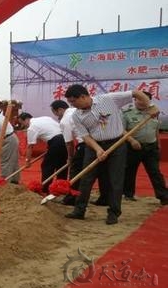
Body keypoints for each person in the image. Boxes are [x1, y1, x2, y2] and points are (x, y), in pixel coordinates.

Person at [64, 84, 155, 225]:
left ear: (83, 96)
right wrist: (98, 149)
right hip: (94, 146)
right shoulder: (77, 115)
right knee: (86, 178)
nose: (73, 105)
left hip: (116, 144)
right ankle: (79, 210)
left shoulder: (108, 99)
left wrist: (149, 107)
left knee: (115, 179)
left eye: (73, 101)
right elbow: (85, 136)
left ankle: (113, 213)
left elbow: (136, 93)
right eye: (70, 102)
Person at [50, 100, 110, 206]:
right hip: (101, 143)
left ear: (60, 110)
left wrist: (70, 158)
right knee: (102, 171)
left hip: (85, 145)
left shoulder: (65, 120)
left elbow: (69, 143)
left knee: (75, 171)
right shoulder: (77, 111)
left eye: (54, 112)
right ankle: (105, 198)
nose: (55, 115)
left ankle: (72, 198)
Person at [123, 92, 168, 205]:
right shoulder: (127, 113)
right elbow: (121, 131)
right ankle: (128, 194)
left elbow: (156, 128)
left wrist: (158, 144)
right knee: (130, 172)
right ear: (135, 100)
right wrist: (132, 141)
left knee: (155, 172)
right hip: (134, 147)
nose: (142, 102)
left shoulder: (153, 113)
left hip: (151, 148)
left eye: (146, 100)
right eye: (140, 99)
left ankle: (163, 196)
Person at [18, 112, 68, 193]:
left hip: (56, 142)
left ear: (27, 119)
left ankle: (46, 189)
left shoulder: (32, 127)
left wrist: (28, 161)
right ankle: (61, 188)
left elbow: (30, 146)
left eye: (22, 123)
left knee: (47, 166)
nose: (23, 126)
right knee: (61, 166)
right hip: (65, 140)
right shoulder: (45, 117)